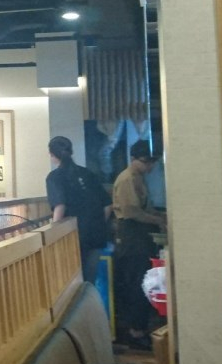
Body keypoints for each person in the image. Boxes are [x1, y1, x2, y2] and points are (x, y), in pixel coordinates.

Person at [112, 140, 167, 350]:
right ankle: (135, 332)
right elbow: (131, 212)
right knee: (137, 282)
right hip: (131, 234)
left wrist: (161, 216)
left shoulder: (138, 177)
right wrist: (158, 220)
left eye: (152, 162)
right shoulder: (127, 179)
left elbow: (146, 208)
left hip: (139, 234)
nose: (149, 166)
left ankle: (140, 328)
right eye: (146, 162)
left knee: (143, 279)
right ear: (133, 158)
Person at [45, 136, 112, 283]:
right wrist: (98, 223)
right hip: (96, 235)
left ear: (51, 154)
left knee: (72, 284)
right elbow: (107, 205)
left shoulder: (54, 177)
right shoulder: (88, 173)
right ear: (71, 151)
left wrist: (54, 233)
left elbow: (60, 206)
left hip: (72, 238)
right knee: (89, 282)